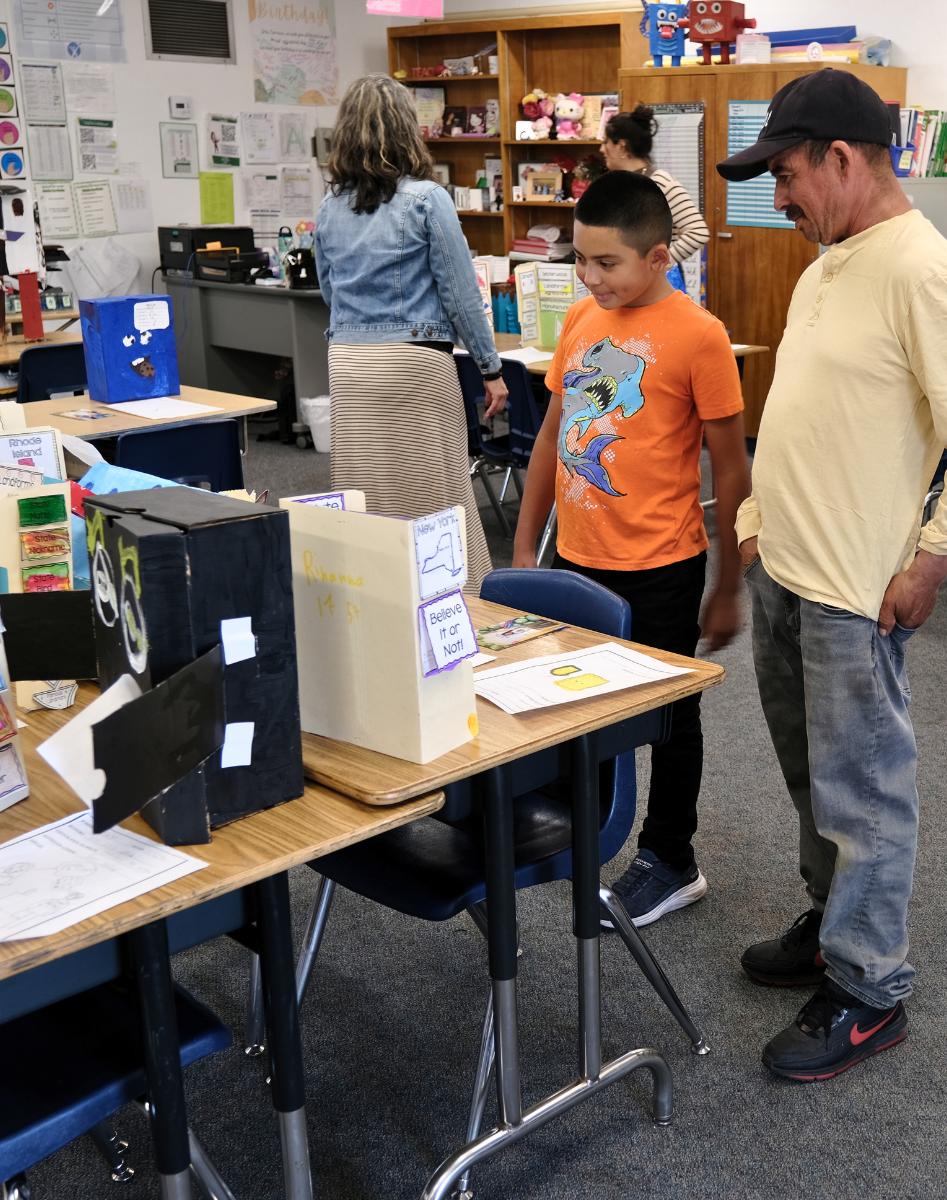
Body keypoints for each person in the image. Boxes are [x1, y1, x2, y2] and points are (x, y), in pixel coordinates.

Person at [717, 69, 947, 1082]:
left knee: (865, 791)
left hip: (855, 590)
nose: (780, 196)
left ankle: (867, 985)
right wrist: (755, 521)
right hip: (786, 570)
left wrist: (935, 558)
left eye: (788, 174)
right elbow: (796, 411)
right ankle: (829, 918)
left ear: (841, 159)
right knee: (810, 775)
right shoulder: (825, 264)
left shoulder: (918, 270)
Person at [513, 170, 751, 926]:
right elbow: (554, 434)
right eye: (580, 260)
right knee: (569, 700)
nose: (589, 276)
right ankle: (559, 824)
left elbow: (732, 465)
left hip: (663, 568)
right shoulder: (583, 320)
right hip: (576, 561)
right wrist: (526, 549)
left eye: (606, 262)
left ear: (658, 257)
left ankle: (671, 857)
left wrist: (727, 582)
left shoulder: (700, 335)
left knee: (670, 722)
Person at [315, 74, 505, 593]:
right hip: (414, 365)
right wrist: (489, 367)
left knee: (366, 496)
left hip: (350, 366)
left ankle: (375, 600)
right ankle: (453, 608)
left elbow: (329, 292)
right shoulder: (426, 199)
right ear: (407, 131)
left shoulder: (330, 208)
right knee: (436, 496)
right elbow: (461, 294)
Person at [601, 106, 711, 267]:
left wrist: (659, 266)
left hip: (655, 287)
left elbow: (697, 233)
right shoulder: (616, 184)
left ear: (621, 146)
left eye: (605, 142)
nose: (601, 149)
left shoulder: (660, 183)